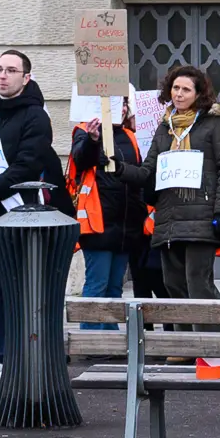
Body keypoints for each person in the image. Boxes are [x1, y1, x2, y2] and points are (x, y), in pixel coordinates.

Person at [0, 48, 72, 371]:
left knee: (24, 287)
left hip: (21, 214)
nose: (2, 76)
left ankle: (31, 354)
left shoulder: (36, 117)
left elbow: (24, 169)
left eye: (11, 70)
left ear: (26, 78)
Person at [115, 66, 220, 308]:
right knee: (173, 285)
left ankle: (213, 341)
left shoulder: (215, 124)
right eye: (175, 88)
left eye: (186, 89)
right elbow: (149, 171)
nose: (179, 94)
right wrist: (118, 168)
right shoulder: (165, 127)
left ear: (199, 94)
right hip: (170, 217)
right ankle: (183, 342)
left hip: (202, 217)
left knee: (199, 285)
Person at [70, 85, 155, 327]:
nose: (122, 108)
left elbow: (138, 175)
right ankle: (90, 338)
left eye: (124, 104)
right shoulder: (84, 132)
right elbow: (80, 158)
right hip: (99, 223)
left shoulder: (129, 136)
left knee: (115, 287)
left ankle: (111, 337)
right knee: (97, 285)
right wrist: (93, 140)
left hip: (126, 224)